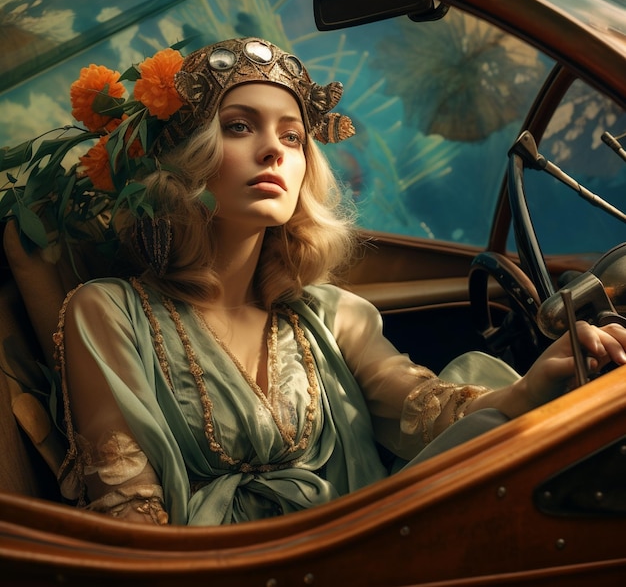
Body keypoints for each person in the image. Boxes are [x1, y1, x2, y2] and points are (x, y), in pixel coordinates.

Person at [47, 37, 626, 526]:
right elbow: (132, 516)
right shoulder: (106, 312)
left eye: (293, 136)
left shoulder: (328, 313)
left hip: (353, 545)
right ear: (182, 158)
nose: (273, 148)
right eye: (239, 126)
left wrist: (529, 391)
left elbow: (423, 410)